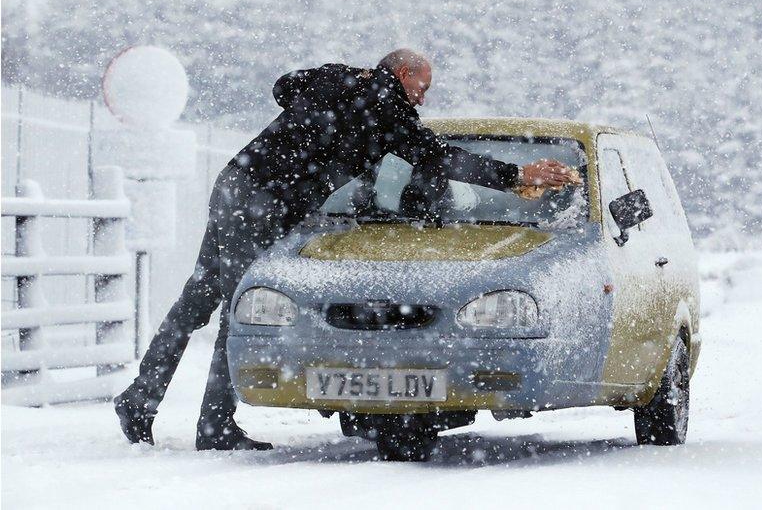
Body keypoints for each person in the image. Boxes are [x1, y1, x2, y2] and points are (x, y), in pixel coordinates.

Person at [113, 48, 575, 450]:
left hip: (239, 183)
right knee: (237, 309)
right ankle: (213, 424)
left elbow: (283, 87)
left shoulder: (340, 80)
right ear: (401, 75)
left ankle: (140, 399)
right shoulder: (388, 115)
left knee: (199, 298)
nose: (424, 96)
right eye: (422, 85)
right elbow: (439, 157)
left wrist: (340, 81)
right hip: (265, 201)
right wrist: (516, 177)